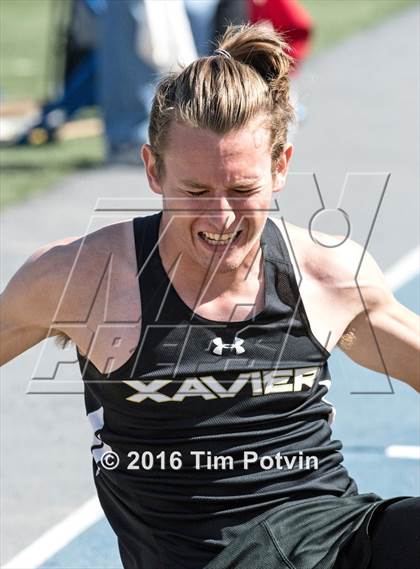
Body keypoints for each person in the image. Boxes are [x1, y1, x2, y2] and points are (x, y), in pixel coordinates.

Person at [1, 24, 419, 569]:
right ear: (154, 170)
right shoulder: (83, 281)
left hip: (337, 542)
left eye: (243, 191)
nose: (220, 217)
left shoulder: (328, 276)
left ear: (280, 167)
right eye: (196, 192)